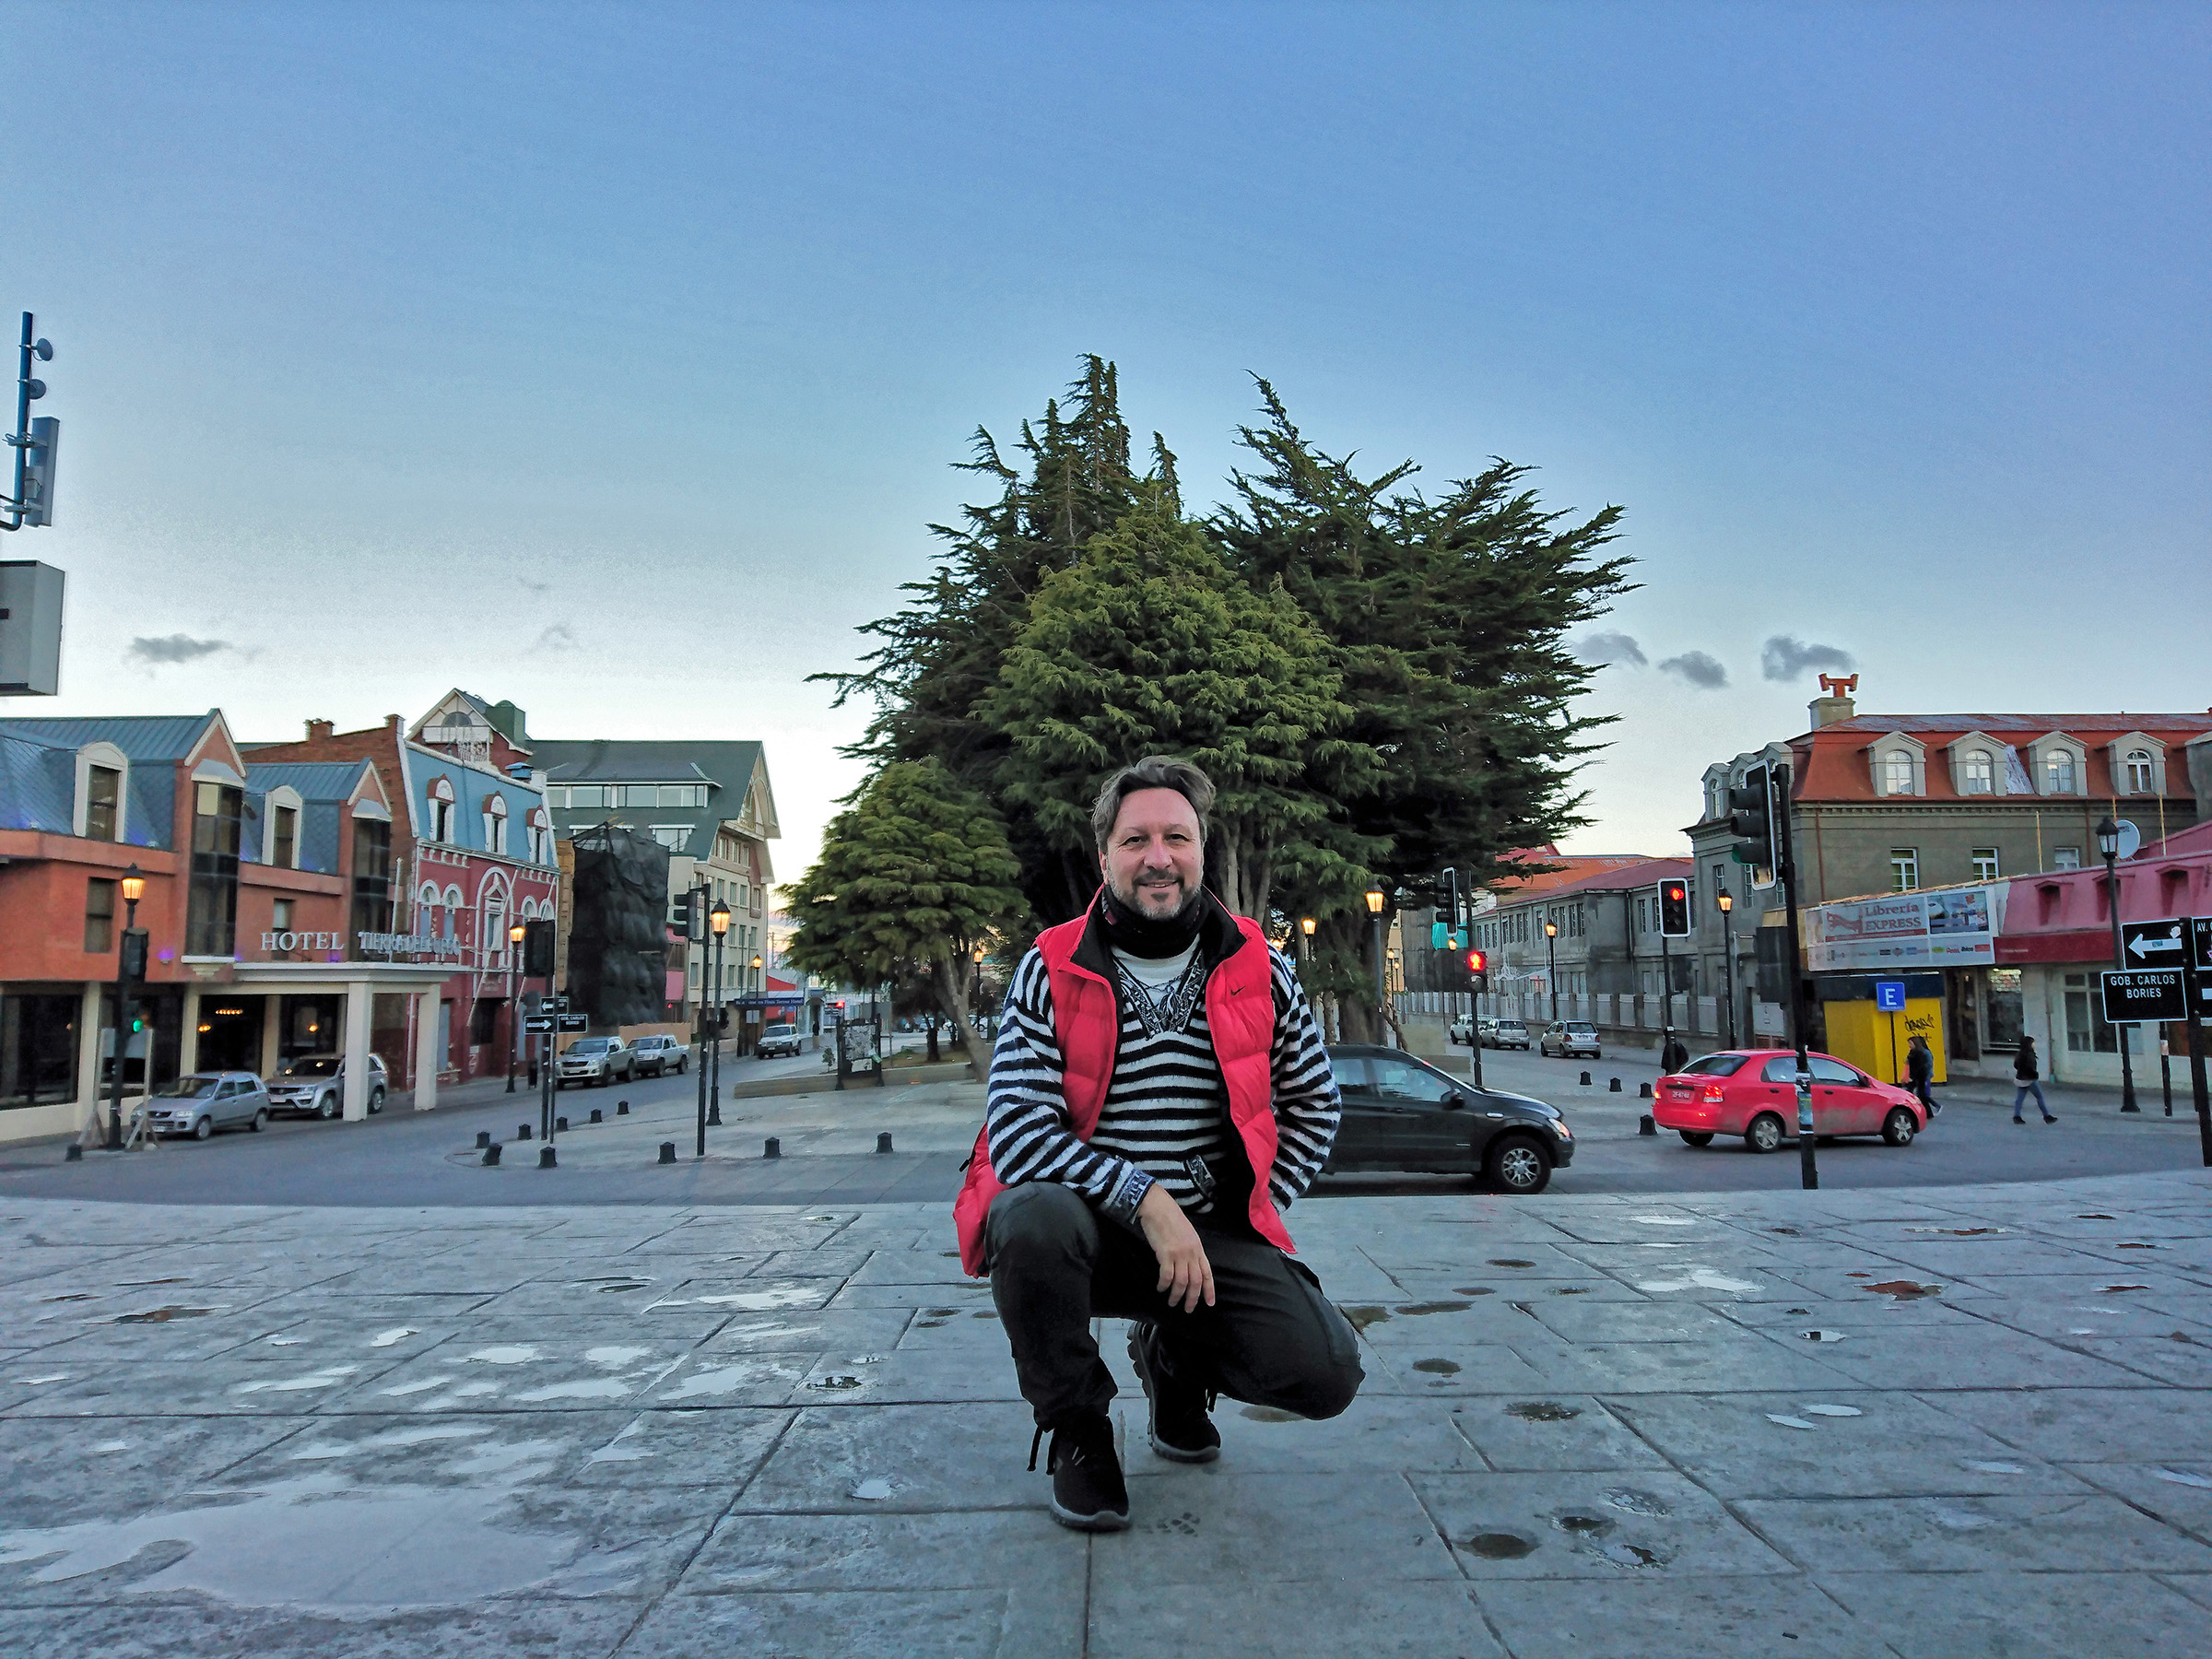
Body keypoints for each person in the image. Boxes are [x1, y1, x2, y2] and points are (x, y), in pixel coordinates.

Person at [954, 757, 1361, 1533]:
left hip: (1209, 1234)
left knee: (1326, 1374)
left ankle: (1172, 1357)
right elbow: (1017, 1134)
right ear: (1104, 854)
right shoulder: (1050, 965)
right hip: (1086, 1232)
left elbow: (1315, 1103)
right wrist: (1145, 1199)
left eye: (1177, 837)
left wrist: (1255, 1205)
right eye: (1135, 839)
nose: (1158, 858)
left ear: (1201, 849)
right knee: (1028, 1218)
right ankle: (1079, 1429)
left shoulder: (1260, 966)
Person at [2013, 1033, 2055, 1124]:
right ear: (2029, 1044)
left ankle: (2017, 1116)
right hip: (2030, 1079)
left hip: (2020, 1078)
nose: (2034, 1044)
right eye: (2033, 1043)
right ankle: (2047, 1116)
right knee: (2039, 1096)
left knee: (2020, 1098)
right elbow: (2030, 1067)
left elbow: (2015, 1065)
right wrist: (2035, 1075)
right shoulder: (2029, 1054)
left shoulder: (2020, 1053)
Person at [1906, 1032, 1940, 1118]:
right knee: (1914, 1093)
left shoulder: (1921, 1053)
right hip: (1916, 1076)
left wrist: (1912, 1077)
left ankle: (1929, 1111)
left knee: (1921, 1095)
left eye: (1910, 1043)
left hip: (1920, 1076)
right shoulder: (1913, 1052)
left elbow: (1921, 1066)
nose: (1909, 1045)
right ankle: (1922, 1111)